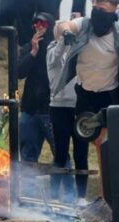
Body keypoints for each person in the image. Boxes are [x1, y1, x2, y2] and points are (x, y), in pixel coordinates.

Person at [52, 0, 119, 199]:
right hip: (84, 93)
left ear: (113, 16)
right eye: (96, 10)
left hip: (109, 95)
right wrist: (65, 32)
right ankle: (81, 198)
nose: (98, 16)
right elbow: (63, 25)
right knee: (81, 142)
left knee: (105, 143)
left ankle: (107, 193)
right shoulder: (84, 25)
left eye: (104, 12)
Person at [18, 13, 56, 195]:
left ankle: (64, 197)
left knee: (61, 155)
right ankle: (27, 197)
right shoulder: (29, 47)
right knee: (27, 157)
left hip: (52, 110)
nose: (39, 27)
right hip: (30, 109)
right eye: (36, 23)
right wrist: (32, 52)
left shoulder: (57, 47)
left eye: (43, 23)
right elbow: (18, 72)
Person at [47, 21, 78, 204]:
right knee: (60, 152)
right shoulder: (52, 49)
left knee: (79, 152)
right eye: (63, 32)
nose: (67, 34)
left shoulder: (75, 49)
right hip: (58, 106)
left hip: (77, 105)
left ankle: (75, 195)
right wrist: (63, 39)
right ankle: (53, 194)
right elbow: (55, 57)